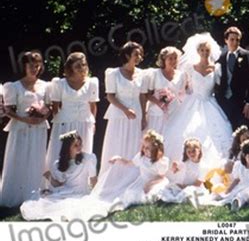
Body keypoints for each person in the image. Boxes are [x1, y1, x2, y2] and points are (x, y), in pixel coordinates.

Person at [163, 33, 233, 169]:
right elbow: (182, 86)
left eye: (207, 50)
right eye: (202, 50)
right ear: (198, 51)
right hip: (192, 103)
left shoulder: (216, 68)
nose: (205, 53)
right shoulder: (190, 67)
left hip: (210, 103)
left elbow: (221, 87)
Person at [0, 51, 50, 207]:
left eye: (37, 65)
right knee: (18, 158)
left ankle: (35, 191)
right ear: (24, 66)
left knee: (36, 158)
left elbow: (49, 107)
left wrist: (41, 117)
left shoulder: (46, 86)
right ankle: (16, 193)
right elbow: (8, 110)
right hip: (20, 128)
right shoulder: (13, 86)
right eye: (31, 65)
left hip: (39, 128)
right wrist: (26, 119)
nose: (34, 68)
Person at [20, 131, 98, 221]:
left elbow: (93, 179)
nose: (79, 147)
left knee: (72, 206)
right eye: (75, 145)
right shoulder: (59, 164)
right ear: (68, 147)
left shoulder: (88, 159)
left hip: (80, 192)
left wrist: (95, 195)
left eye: (80, 144)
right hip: (66, 191)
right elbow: (59, 185)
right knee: (48, 204)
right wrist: (49, 177)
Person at [100, 41, 148, 176]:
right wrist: (125, 109)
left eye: (140, 54)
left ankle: (131, 176)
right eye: (136, 54)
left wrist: (144, 116)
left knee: (134, 144)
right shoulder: (113, 73)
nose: (139, 57)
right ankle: (114, 176)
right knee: (117, 143)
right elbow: (110, 96)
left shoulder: (143, 74)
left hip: (136, 114)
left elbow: (143, 96)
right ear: (127, 55)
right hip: (119, 114)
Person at [45, 52, 99, 171]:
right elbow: (55, 107)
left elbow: (93, 105)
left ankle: (80, 183)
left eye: (83, 65)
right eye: (77, 66)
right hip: (64, 124)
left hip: (84, 123)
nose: (82, 68)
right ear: (70, 68)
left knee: (82, 153)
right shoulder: (59, 83)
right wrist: (62, 122)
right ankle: (57, 180)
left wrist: (93, 123)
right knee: (61, 152)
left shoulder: (92, 83)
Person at [92, 129, 170, 211]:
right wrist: (118, 158)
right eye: (143, 147)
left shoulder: (161, 162)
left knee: (153, 193)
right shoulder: (141, 157)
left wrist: (149, 184)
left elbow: (161, 177)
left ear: (155, 149)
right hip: (142, 181)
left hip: (155, 182)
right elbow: (128, 163)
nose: (144, 149)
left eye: (148, 148)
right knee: (131, 193)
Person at [216, 26, 249, 130]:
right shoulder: (221, 58)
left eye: (237, 40)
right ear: (226, 40)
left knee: (244, 134)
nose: (235, 42)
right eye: (232, 39)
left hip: (242, 104)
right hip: (225, 103)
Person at [147, 47, 187, 134]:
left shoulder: (182, 75)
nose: (173, 61)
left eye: (175, 58)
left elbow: (182, 94)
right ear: (163, 59)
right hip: (157, 111)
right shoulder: (155, 74)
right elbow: (147, 94)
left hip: (174, 111)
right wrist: (159, 102)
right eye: (170, 58)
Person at [221, 139, 249, 211]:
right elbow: (236, 180)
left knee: (247, 193)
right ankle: (222, 196)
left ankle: (238, 202)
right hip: (243, 185)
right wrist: (228, 189)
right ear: (244, 155)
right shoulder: (240, 166)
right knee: (233, 192)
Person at [161, 138, 209, 205]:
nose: (191, 153)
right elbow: (175, 170)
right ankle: (176, 197)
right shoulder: (187, 162)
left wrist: (184, 187)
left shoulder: (203, 166)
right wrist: (175, 166)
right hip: (184, 186)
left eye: (194, 151)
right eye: (189, 152)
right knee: (169, 188)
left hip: (195, 188)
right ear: (186, 153)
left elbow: (197, 184)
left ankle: (182, 198)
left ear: (199, 151)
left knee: (189, 191)